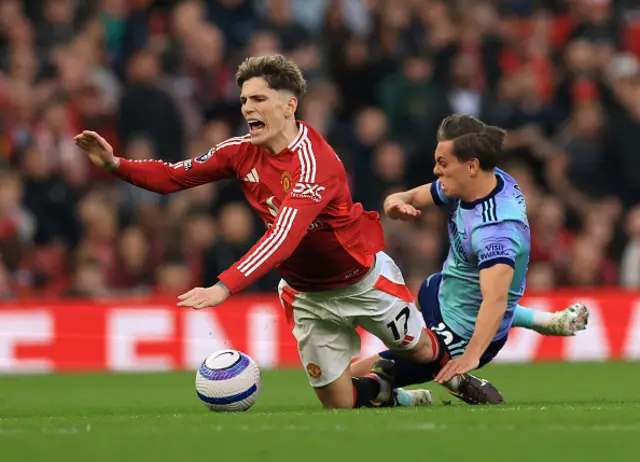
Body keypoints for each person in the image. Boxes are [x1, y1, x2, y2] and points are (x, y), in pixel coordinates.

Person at [75, 54, 455, 409]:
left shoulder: (314, 162)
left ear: (290, 105)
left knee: (421, 350)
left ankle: (460, 379)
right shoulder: (240, 151)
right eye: (243, 100)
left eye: (258, 98)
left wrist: (222, 286)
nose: (247, 109)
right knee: (338, 402)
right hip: (306, 294)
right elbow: (176, 175)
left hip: (361, 281)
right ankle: (396, 395)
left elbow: (283, 237)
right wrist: (115, 164)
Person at [348, 114, 589, 406]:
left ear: (471, 165)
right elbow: (420, 194)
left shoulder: (495, 231)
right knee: (428, 288)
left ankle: (418, 392)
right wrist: (398, 199)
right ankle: (546, 321)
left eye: (442, 163)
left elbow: (496, 301)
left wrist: (470, 355)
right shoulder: (480, 182)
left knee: (349, 381)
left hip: (463, 333)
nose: (436, 170)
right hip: (442, 293)